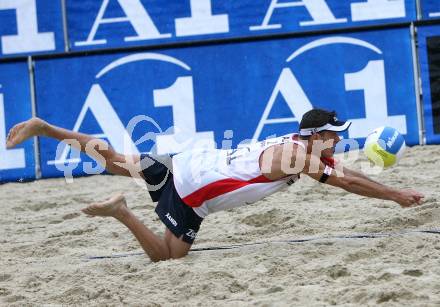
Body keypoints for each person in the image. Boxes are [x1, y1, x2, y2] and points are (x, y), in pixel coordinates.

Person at [6, 109, 424, 262]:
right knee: (168, 257)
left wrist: (382, 182)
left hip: (188, 161)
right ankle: (122, 212)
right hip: (194, 192)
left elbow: (345, 171)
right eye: (333, 134)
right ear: (315, 136)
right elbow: (347, 182)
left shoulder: (299, 146)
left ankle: (45, 127)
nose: (338, 139)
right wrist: (395, 195)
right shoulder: (298, 157)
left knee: (114, 159)